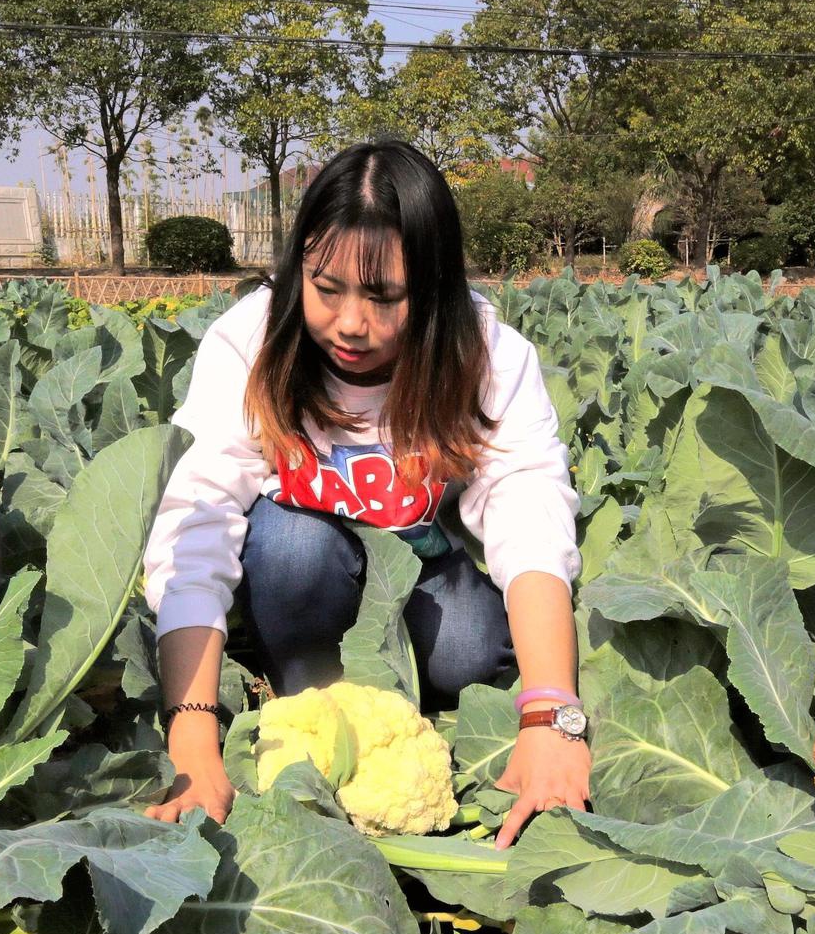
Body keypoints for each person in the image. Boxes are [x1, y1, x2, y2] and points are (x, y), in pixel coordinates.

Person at [142, 141, 587, 849]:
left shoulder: (487, 354)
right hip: (296, 577)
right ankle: (297, 698)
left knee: (472, 651)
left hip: (416, 576)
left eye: (384, 298)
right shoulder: (250, 342)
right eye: (327, 289)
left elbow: (529, 512)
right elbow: (197, 521)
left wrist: (551, 715)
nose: (352, 323)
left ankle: (389, 708)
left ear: (434, 289)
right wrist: (191, 730)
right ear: (299, 271)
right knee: (294, 547)